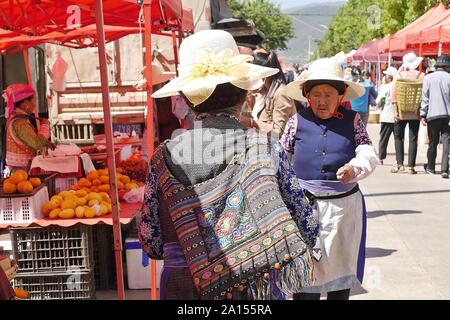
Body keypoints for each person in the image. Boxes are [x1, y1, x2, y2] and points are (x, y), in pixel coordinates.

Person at [138, 30, 319, 300]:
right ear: (245, 92)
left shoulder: (163, 158)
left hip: (183, 290)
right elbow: (307, 227)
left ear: (187, 100)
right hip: (255, 290)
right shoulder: (267, 149)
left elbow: (151, 242)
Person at [280, 57, 379, 300]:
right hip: (304, 208)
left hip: (343, 209)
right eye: (316, 95)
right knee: (306, 280)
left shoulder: (352, 120)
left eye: (328, 95)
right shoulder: (296, 121)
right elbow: (281, 158)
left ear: (341, 95)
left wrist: (354, 169)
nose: (321, 101)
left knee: (339, 278)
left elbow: (367, 151)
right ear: (307, 95)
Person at [239, 50, 296, 138]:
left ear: (263, 74)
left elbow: (278, 132)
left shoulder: (281, 93)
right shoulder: (261, 92)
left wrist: (251, 123)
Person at [2, 84, 55, 176]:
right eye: (34, 101)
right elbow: (37, 143)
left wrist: (45, 142)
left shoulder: (16, 118)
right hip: (20, 172)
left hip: (18, 170)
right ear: (26, 103)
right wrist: (45, 125)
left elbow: (26, 139)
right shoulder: (19, 122)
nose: (35, 105)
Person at [390, 52, 425, 174]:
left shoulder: (399, 75)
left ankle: (399, 164)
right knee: (413, 138)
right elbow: (423, 96)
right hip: (415, 112)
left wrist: (395, 111)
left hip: (401, 112)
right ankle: (411, 166)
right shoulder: (421, 76)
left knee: (398, 138)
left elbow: (393, 96)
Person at [420, 55, 450, 178]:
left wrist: (423, 113)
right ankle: (444, 169)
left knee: (433, 142)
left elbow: (425, 98)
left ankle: (431, 167)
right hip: (448, 115)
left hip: (432, 115)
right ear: (447, 66)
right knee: (447, 141)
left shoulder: (428, 78)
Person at [376, 66, 398, 164]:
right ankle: (398, 159)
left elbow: (378, 101)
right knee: (398, 139)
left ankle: (381, 157)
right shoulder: (398, 86)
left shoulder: (386, 87)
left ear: (389, 77)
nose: (384, 77)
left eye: (385, 75)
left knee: (384, 138)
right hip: (397, 116)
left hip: (386, 116)